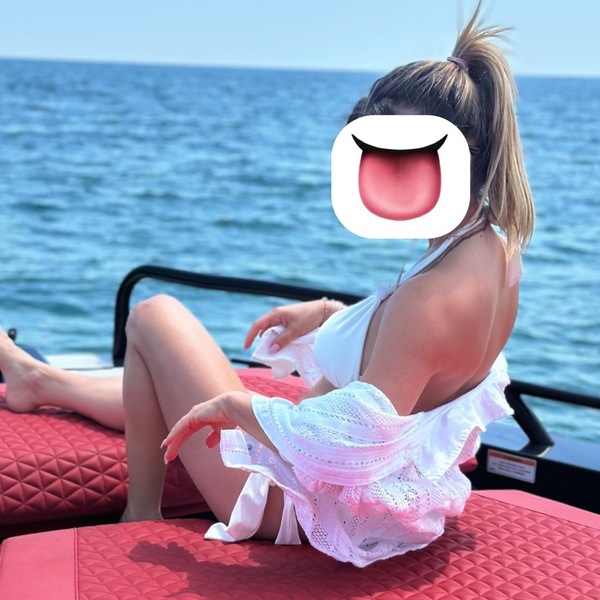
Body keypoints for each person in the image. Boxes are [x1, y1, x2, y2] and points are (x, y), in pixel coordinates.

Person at [0, 3, 533, 567]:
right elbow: (430, 359)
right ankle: (44, 382)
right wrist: (329, 315)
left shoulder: (430, 299)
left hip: (298, 504)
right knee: (171, 376)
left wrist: (241, 408)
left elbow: (349, 441)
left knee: (153, 315)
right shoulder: (496, 251)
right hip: (357, 491)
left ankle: (139, 511)